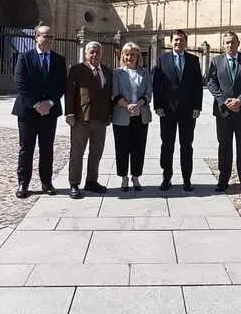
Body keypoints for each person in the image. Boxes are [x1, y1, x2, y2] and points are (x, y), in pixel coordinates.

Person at [12, 25, 67, 198]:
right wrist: (36, 104)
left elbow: (61, 84)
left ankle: (46, 182)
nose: (48, 39)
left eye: (51, 36)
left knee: (47, 148)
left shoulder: (59, 59)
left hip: (49, 112)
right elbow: (20, 82)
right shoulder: (25, 57)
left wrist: (49, 103)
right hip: (27, 111)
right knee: (26, 148)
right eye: (45, 36)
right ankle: (23, 183)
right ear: (36, 37)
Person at [152, 29, 203, 192]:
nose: (178, 43)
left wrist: (197, 107)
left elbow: (198, 86)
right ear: (171, 42)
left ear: (185, 42)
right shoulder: (162, 59)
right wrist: (158, 105)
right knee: (167, 145)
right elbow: (156, 84)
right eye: (175, 40)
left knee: (187, 145)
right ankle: (166, 177)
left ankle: (186, 179)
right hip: (167, 111)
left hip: (188, 111)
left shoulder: (193, 60)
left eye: (181, 40)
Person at [205, 31, 241, 193]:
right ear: (223, 45)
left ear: (238, 43)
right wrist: (224, 100)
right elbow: (211, 82)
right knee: (224, 146)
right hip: (223, 112)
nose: (230, 45)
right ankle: (223, 179)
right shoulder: (216, 61)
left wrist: (239, 100)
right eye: (227, 42)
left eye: (232, 42)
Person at [65, 41, 113, 199]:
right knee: (77, 152)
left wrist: (110, 114)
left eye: (97, 52)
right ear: (86, 54)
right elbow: (70, 93)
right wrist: (69, 113)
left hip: (101, 119)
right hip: (81, 118)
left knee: (96, 152)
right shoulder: (77, 70)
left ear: (102, 54)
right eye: (91, 52)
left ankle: (91, 181)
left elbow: (109, 95)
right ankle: (74, 183)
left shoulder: (106, 71)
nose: (95, 55)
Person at [111, 42, 152, 192]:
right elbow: (114, 94)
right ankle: (123, 178)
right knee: (122, 148)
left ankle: (135, 176)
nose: (129, 57)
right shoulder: (117, 73)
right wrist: (127, 105)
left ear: (138, 57)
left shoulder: (145, 73)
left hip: (141, 115)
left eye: (133, 54)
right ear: (123, 56)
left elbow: (148, 94)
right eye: (127, 54)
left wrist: (139, 105)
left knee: (138, 148)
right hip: (122, 115)